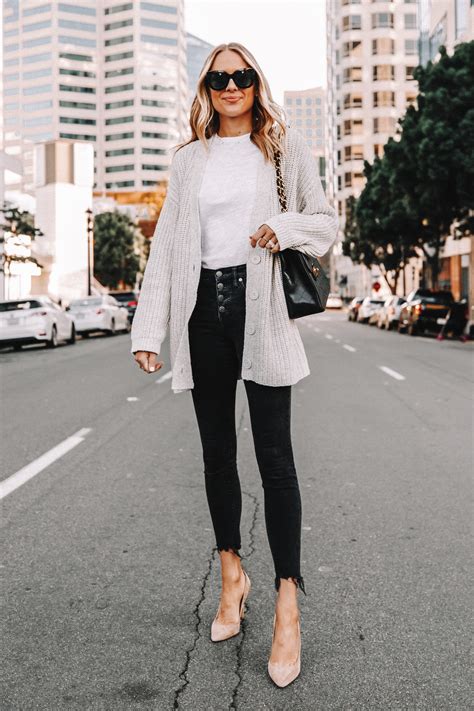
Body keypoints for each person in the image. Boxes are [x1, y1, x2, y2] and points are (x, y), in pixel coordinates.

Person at [131, 42, 338, 688]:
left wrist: (285, 226)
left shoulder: (283, 149)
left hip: (263, 310)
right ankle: (231, 576)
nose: (229, 86)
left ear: (256, 83)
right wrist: (148, 328)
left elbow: (326, 222)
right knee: (218, 453)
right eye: (218, 78)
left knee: (276, 459)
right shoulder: (188, 161)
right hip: (204, 317)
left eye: (240, 76)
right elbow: (167, 249)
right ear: (206, 88)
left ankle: (286, 605)